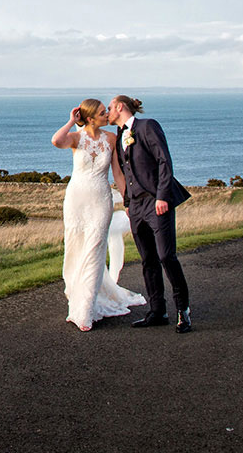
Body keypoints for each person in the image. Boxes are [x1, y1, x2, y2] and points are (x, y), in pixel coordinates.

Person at [51, 98, 144, 331]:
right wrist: (72, 120)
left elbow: (118, 175)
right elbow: (56, 140)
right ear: (91, 118)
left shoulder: (111, 139)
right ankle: (77, 295)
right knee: (76, 248)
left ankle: (85, 312)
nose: (107, 115)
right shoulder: (76, 137)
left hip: (101, 200)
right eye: (103, 113)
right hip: (76, 200)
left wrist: (128, 202)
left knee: (95, 249)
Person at [107, 95, 193, 333]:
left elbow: (164, 161)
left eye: (110, 108)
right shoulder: (118, 137)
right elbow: (125, 172)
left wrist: (163, 196)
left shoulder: (148, 126)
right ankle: (158, 311)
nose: (107, 112)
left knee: (166, 256)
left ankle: (183, 311)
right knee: (148, 260)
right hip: (135, 207)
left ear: (120, 107)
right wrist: (127, 202)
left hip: (157, 202)